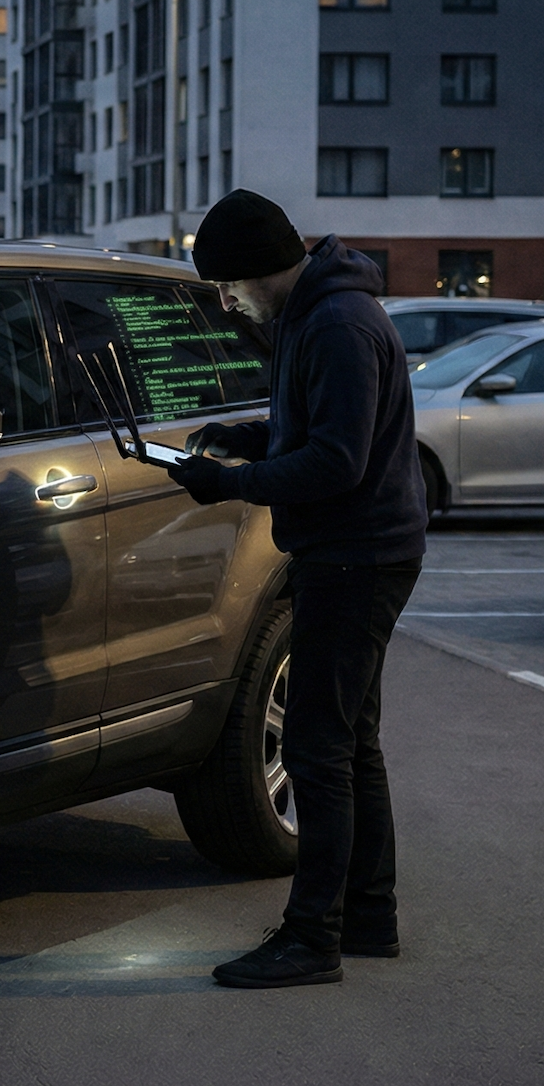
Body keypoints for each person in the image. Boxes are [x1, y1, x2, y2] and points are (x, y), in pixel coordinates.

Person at [160, 189, 427, 989]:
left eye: (227, 284)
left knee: (317, 749)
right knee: (351, 743)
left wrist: (230, 482)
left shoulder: (339, 324)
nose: (227, 299)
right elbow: (314, 428)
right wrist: (241, 435)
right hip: (359, 549)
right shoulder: (317, 313)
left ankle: (314, 937)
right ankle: (368, 916)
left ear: (255, 269)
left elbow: (336, 461)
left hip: (356, 555)